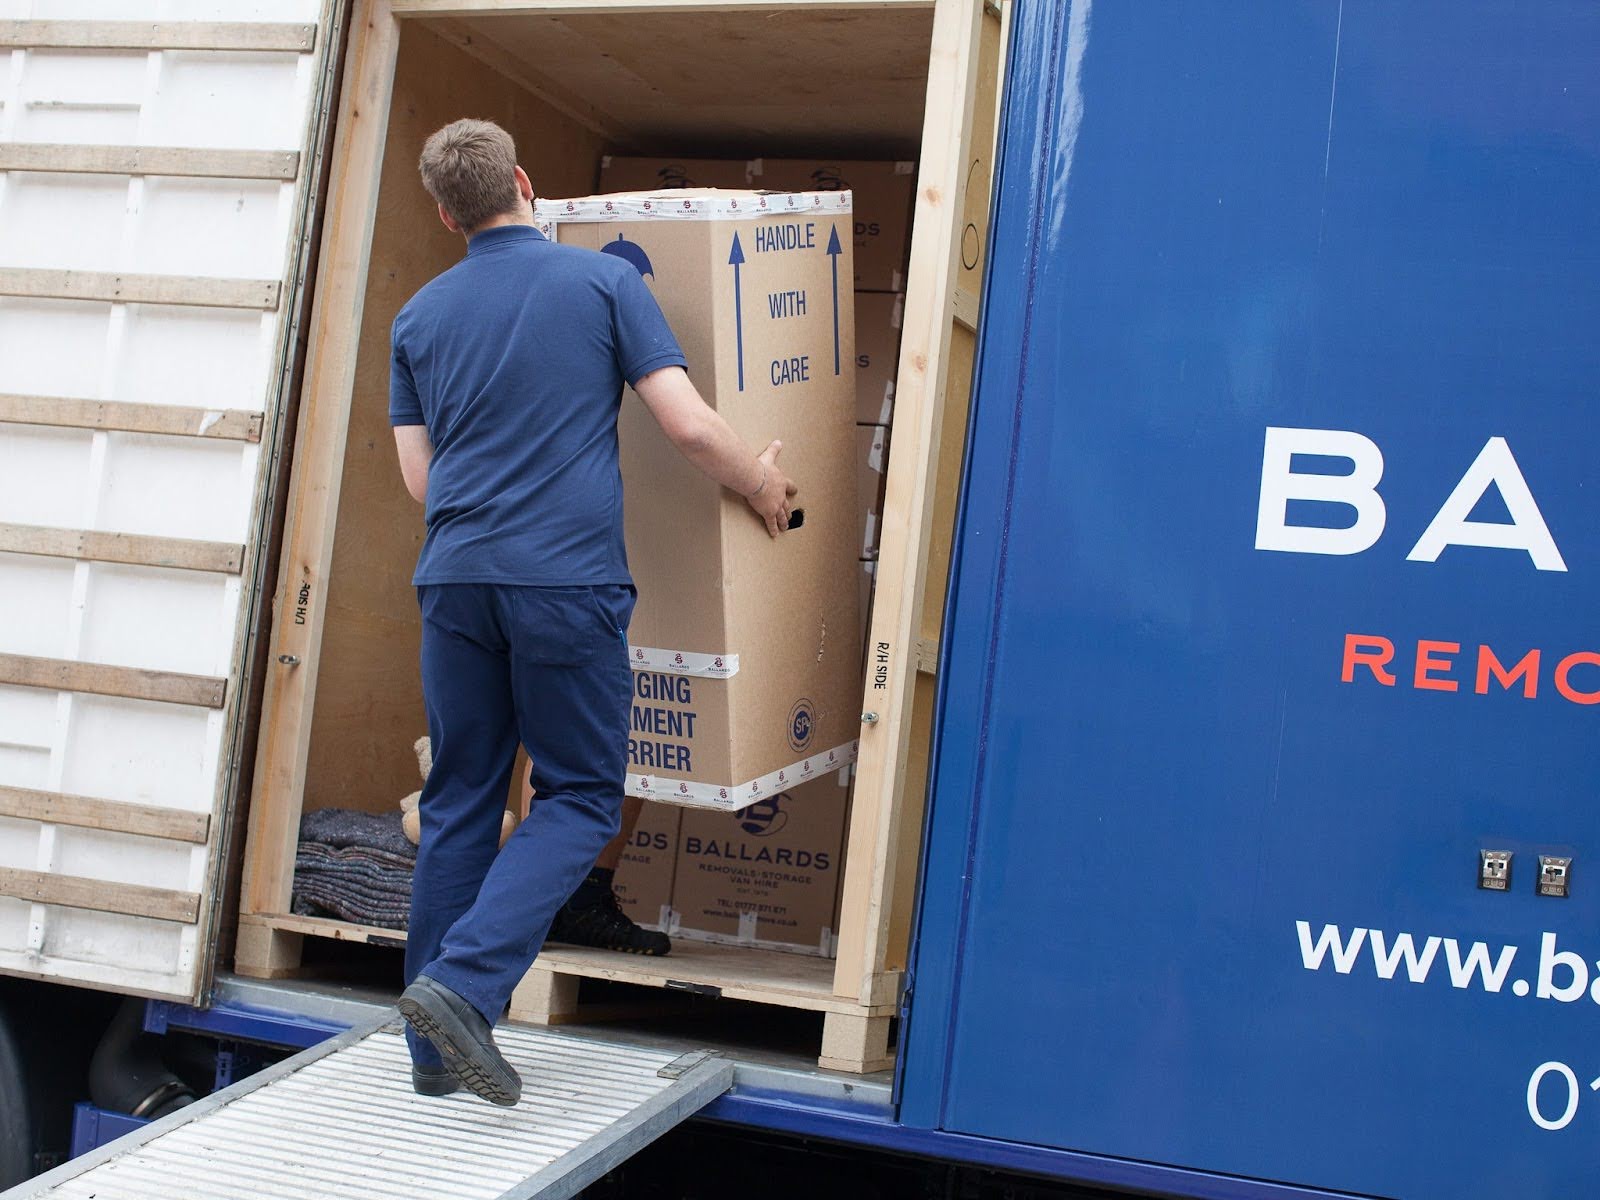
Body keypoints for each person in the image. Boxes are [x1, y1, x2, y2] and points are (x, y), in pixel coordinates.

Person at [390, 118, 795, 1106]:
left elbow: (419, 481)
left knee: (460, 800)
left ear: (446, 212)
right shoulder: (602, 283)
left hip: (453, 580)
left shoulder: (418, 317)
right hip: (563, 582)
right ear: (525, 183)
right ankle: (462, 985)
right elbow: (689, 425)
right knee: (578, 797)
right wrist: (765, 492)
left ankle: (431, 1055)